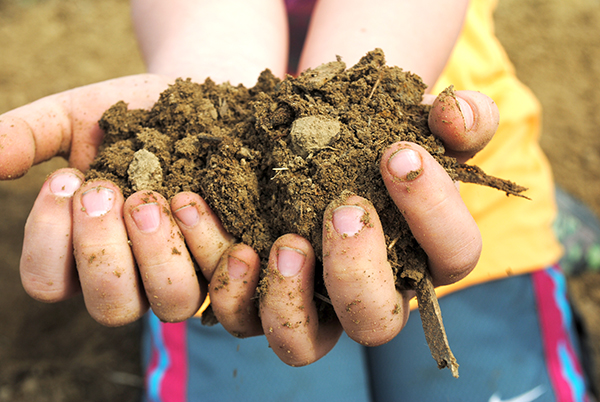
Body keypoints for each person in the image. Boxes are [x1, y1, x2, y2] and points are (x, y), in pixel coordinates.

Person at [0, 0, 592, 400]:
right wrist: (204, 83)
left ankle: (554, 220)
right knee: (262, 354)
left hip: (445, 193)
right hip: (222, 259)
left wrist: (369, 97)